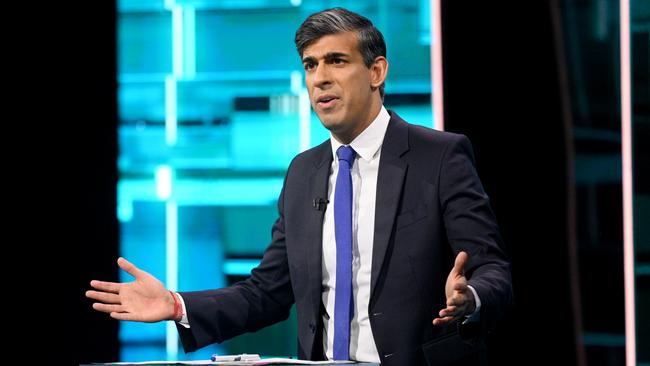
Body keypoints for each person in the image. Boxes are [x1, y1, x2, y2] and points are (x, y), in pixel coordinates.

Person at [87, 7, 512, 366]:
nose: (320, 78)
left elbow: (492, 269)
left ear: (376, 71)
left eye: (337, 61)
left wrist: (470, 297)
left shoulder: (439, 155)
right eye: (311, 65)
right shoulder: (303, 171)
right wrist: (177, 306)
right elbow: (266, 293)